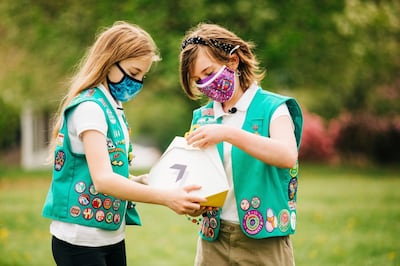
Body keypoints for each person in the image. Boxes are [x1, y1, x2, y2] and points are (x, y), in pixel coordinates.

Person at [42, 21, 206, 266]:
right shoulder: (90, 108)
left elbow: (108, 172)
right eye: (133, 72)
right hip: (80, 241)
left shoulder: (112, 107)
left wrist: (141, 180)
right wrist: (166, 197)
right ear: (109, 61)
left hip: (111, 236)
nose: (137, 82)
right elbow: (103, 180)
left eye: (142, 75)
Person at [179, 23, 303, 266]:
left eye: (209, 71)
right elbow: (199, 176)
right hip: (212, 239)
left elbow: (287, 155)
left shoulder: (273, 108)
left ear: (233, 61)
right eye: (198, 79)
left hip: (264, 240)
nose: (205, 83)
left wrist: (228, 133)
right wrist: (194, 203)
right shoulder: (202, 117)